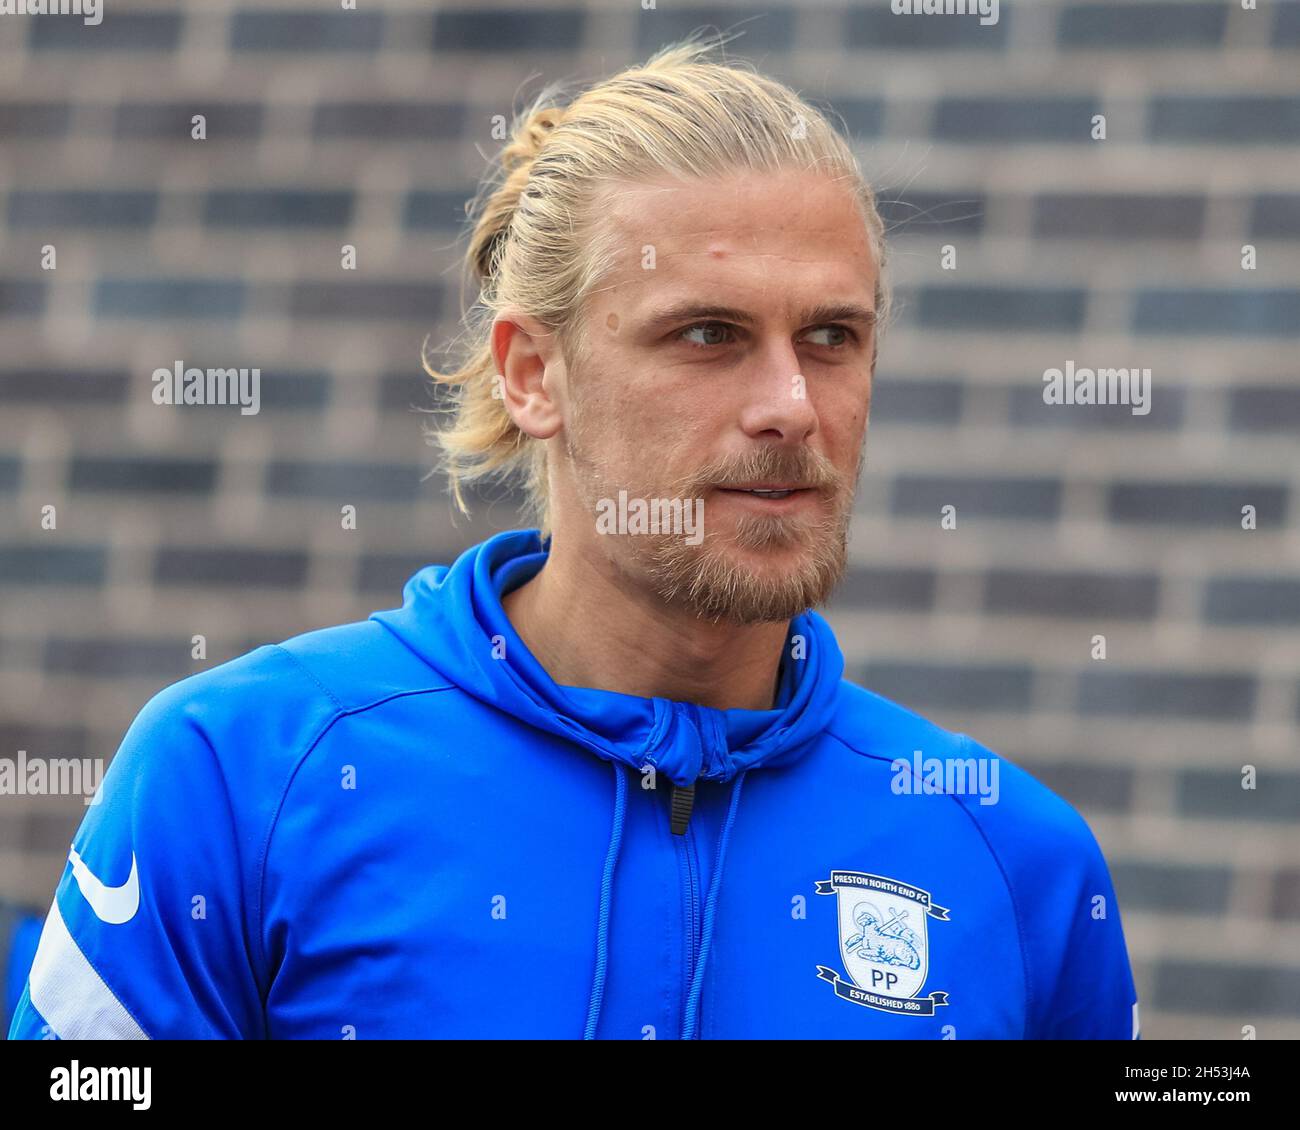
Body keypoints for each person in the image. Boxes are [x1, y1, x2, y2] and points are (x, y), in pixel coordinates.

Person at [9, 35, 1139, 1040]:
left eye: (833, 335)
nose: (791, 404)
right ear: (533, 373)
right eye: (708, 333)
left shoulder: (1016, 859)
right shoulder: (241, 773)